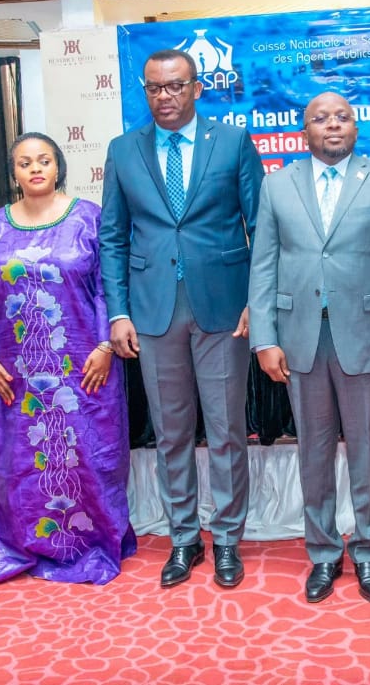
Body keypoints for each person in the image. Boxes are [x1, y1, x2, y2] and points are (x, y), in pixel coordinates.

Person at [248, 92, 370, 604]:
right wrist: (265, 338)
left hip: (367, 338)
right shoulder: (277, 185)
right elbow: (264, 265)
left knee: (367, 451)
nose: (332, 125)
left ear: (355, 127)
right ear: (305, 130)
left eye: (342, 117)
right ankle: (323, 552)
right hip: (300, 338)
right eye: (321, 118)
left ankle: (367, 551)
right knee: (313, 454)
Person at [99, 48, 263, 589]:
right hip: (151, 311)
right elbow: (112, 237)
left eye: (174, 86)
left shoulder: (233, 142)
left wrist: (257, 300)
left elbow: (261, 227)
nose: (164, 96)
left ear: (196, 88)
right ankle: (184, 538)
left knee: (226, 430)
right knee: (170, 433)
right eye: (154, 88)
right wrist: (118, 312)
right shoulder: (123, 150)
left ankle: (228, 539)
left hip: (225, 307)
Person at [0, 132, 135, 585]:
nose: (35, 169)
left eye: (44, 160)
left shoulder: (88, 219)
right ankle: (28, 544)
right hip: (15, 372)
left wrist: (105, 346)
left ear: (59, 166)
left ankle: (95, 541)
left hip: (85, 366)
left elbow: (109, 284)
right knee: (22, 461)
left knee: (90, 454)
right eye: (25, 162)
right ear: (14, 172)